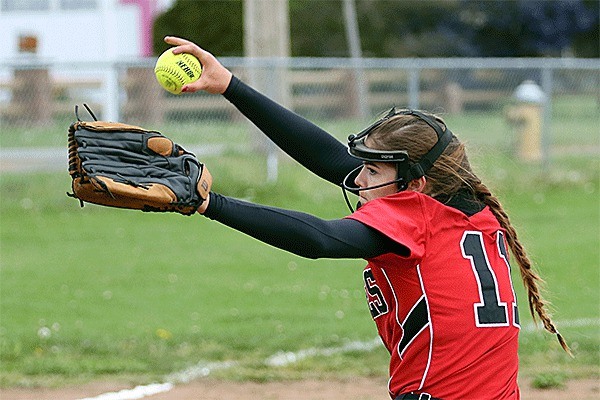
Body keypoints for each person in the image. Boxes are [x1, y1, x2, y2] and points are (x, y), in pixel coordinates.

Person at [163, 36, 570, 400]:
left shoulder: (415, 218)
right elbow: (329, 157)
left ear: (416, 185)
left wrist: (209, 204)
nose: (357, 177)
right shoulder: (469, 210)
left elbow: (319, 239)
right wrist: (230, 86)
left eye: (372, 170)